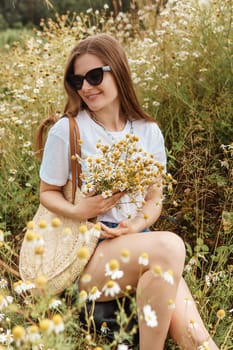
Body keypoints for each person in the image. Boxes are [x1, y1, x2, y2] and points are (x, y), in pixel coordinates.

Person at [37, 33, 219, 350]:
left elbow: (154, 198)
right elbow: (47, 192)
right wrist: (81, 211)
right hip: (85, 251)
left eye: (95, 76)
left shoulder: (148, 131)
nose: (86, 87)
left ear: (118, 70)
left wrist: (135, 225)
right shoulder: (68, 130)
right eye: (77, 80)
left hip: (138, 242)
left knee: (199, 340)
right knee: (170, 247)